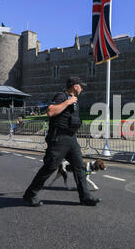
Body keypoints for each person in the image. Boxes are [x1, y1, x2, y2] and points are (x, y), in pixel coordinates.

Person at [23, 77, 101, 207]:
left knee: (79, 167)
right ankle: (30, 195)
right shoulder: (62, 96)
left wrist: (71, 102)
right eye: (81, 86)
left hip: (71, 139)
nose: (82, 88)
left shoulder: (75, 101)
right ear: (75, 86)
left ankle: (85, 197)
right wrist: (67, 102)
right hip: (59, 139)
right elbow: (50, 111)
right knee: (50, 167)